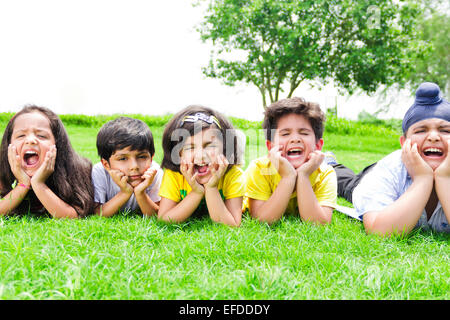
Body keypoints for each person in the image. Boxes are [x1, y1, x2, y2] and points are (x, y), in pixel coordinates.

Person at [352, 82, 450, 236]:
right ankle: (332, 164)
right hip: (369, 176)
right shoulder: (389, 169)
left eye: (445, 130)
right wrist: (422, 179)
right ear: (404, 143)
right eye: (421, 130)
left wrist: (444, 178)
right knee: (347, 184)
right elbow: (380, 232)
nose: (433, 137)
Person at [245, 97, 337, 224]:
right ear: (270, 147)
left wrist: (303, 176)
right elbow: (261, 220)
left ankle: (330, 158)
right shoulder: (260, 168)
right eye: (285, 134)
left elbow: (319, 224)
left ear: (318, 145)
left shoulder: (325, 173)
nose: (295, 139)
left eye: (304, 133)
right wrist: (288, 177)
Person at [0, 105, 94, 218]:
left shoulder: (76, 170)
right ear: (9, 145)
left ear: (57, 144)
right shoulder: (2, 170)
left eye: (41, 136)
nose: (30, 140)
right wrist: (23, 184)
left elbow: (73, 216)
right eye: (21, 135)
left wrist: (39, 184)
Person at [158, 105, 245, 227]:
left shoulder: (233, 175)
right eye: (189, 147)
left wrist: (211, 187)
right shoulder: (174, 175)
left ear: (225, 148)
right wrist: (196, 193)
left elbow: (232, 225)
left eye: (209, 145)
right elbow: (164, 220)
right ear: (178, 154)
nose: (200, 155)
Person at [92, 117, 163, 217]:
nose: (134, 166)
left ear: (151, 158)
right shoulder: (99, 172)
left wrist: (140, 192)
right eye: (122, 159)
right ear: (106, 164)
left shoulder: (153, 172)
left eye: (142, 157)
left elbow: (158, 215)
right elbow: (97, 213)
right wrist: (124, 193)